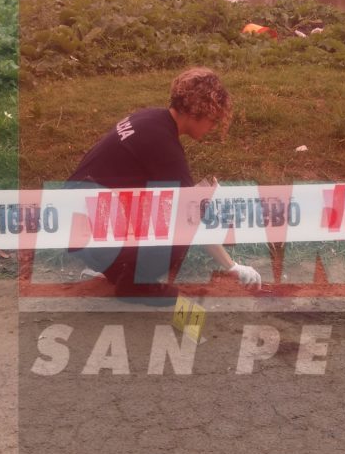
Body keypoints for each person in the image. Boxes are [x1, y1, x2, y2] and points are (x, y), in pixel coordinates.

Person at [66, 67, 262, 304]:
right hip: (90, 226)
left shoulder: (148, 118)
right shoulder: (164, 146)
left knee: (168, 204)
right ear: (198, 112)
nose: (213, 127)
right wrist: (232, 266)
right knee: (181, 220)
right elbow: (190, 218)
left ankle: (117, 269)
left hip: (72, 218)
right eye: (214, 119)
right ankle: (137, 287)